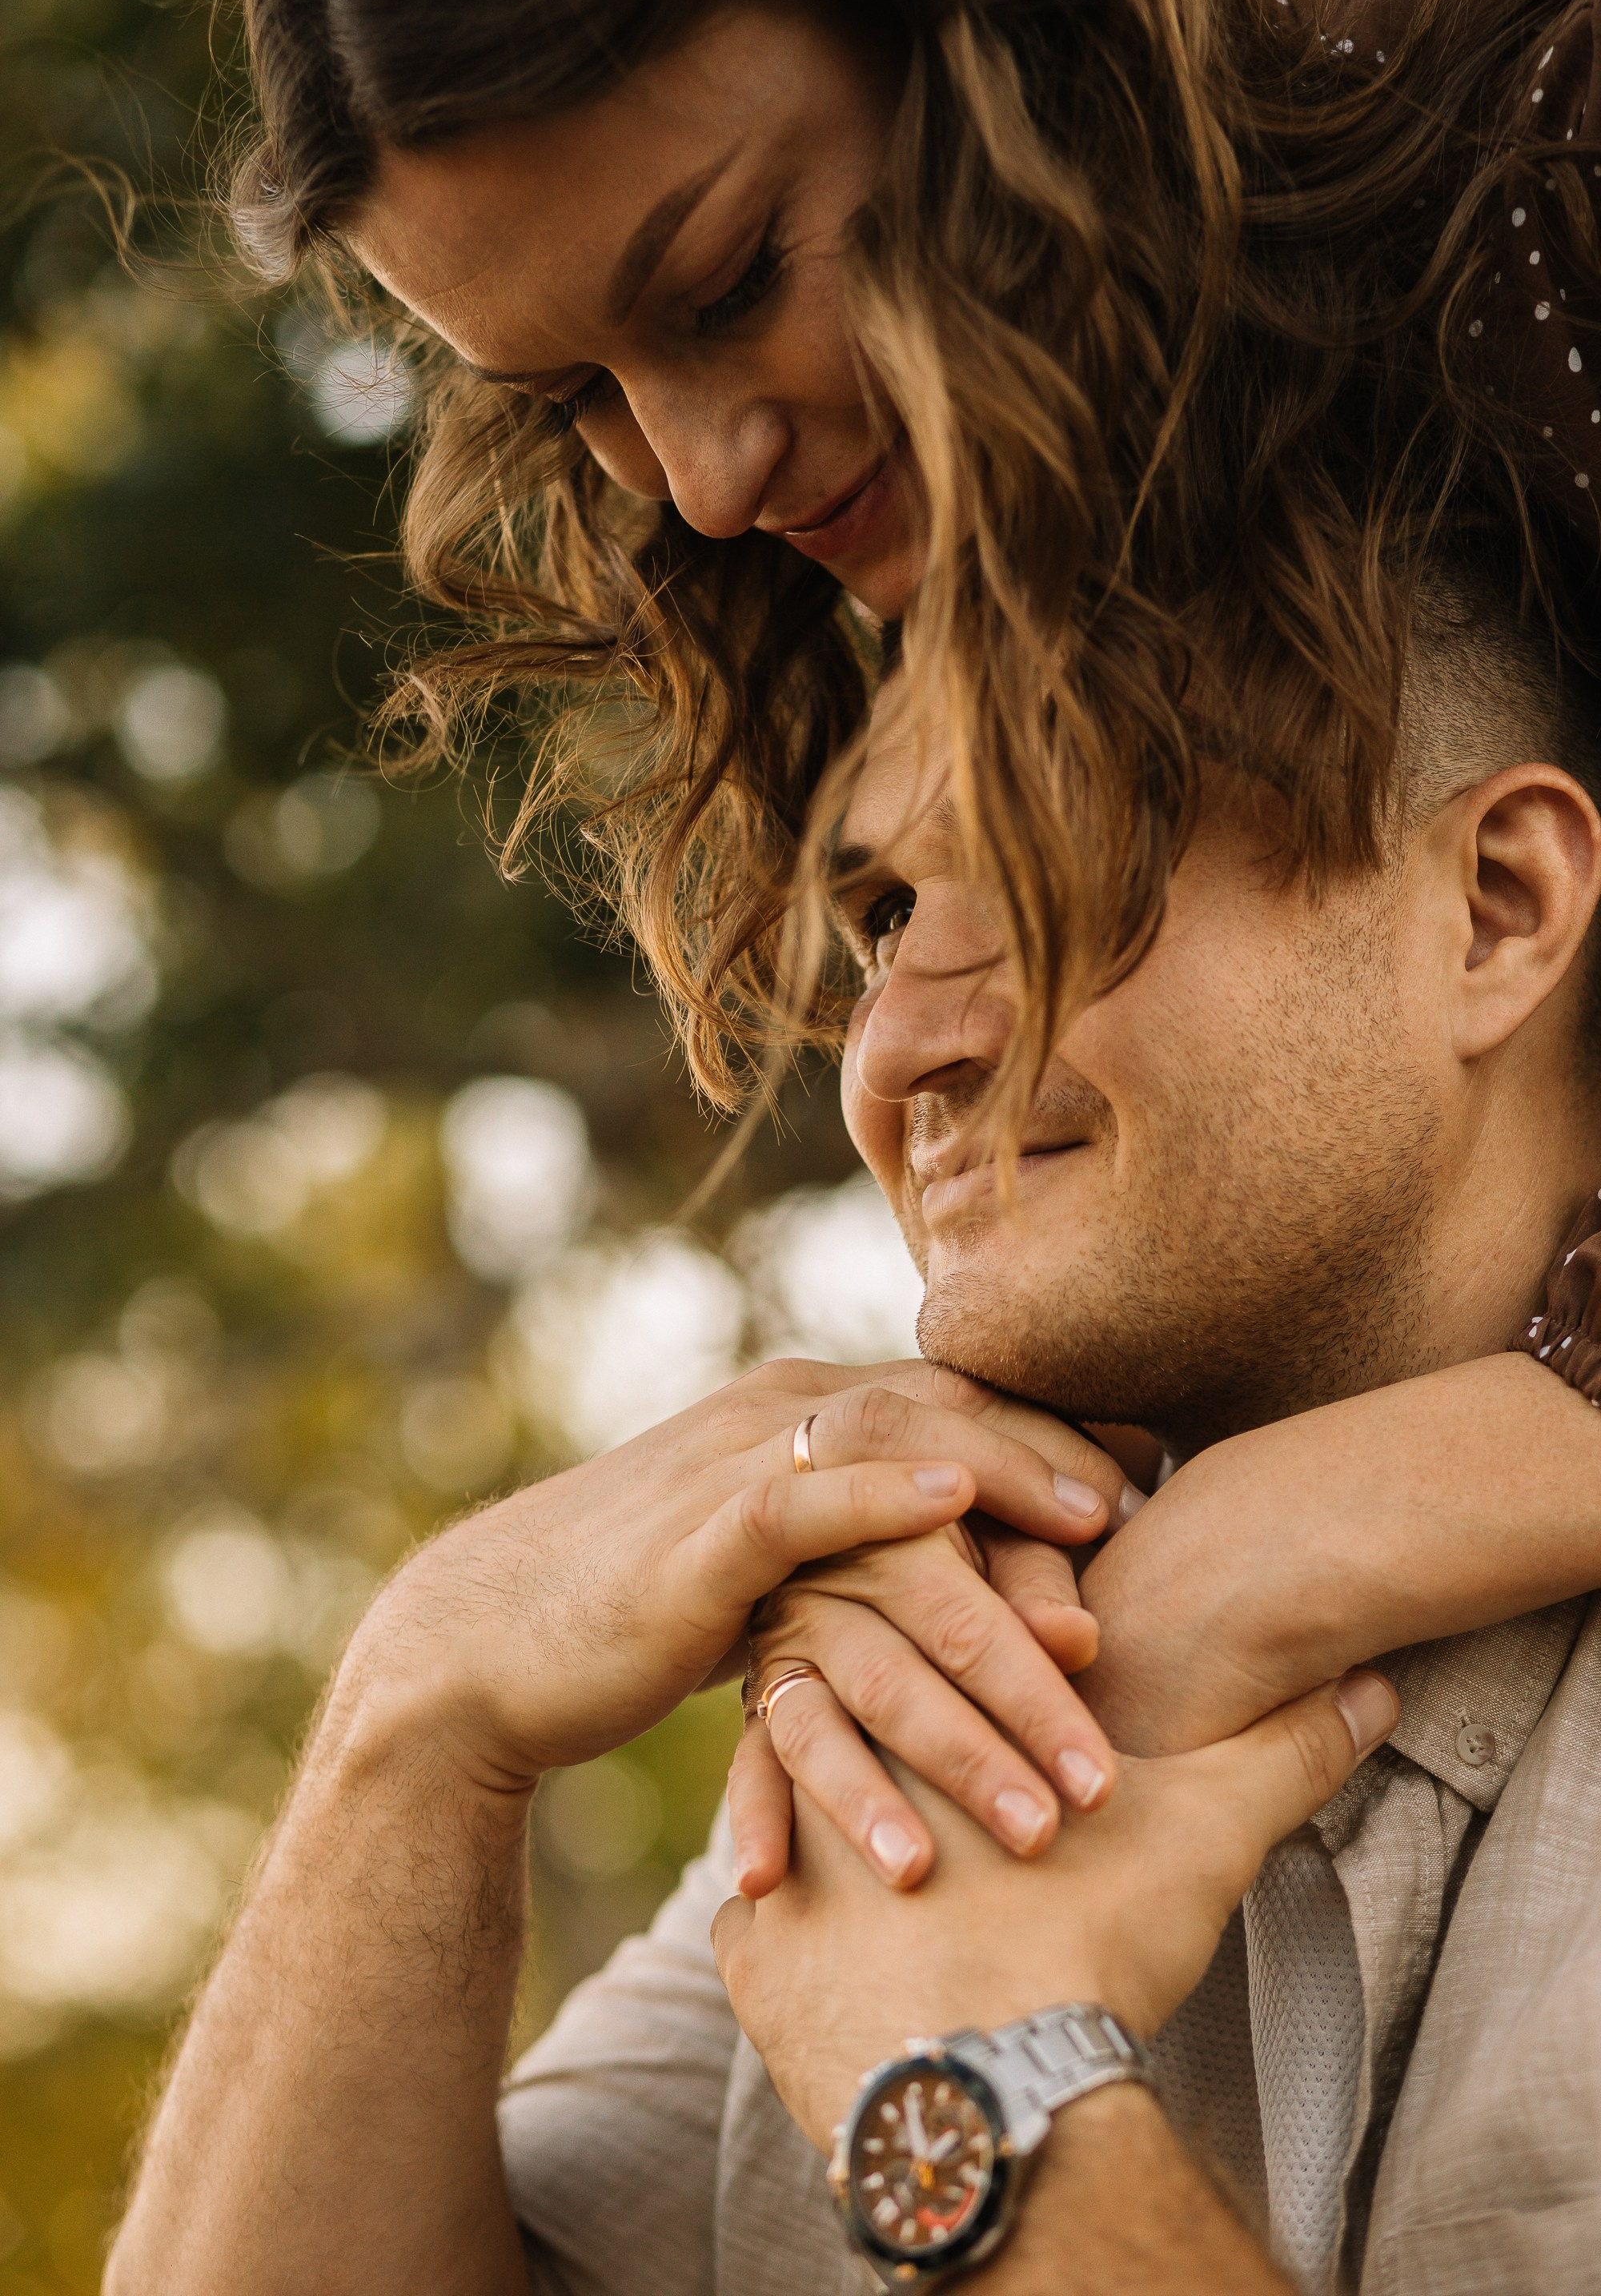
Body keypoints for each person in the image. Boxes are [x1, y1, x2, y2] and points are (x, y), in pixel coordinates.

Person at [215, 0, 1601, 1824]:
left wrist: (1347, 1512)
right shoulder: (919, 503)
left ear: (968, 6)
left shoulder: (1536, 111)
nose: (703, 481)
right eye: (574, 394)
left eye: (723, 283)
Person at [106, 555, 1601, 2294]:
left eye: (1053, 859)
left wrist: (974, 2078)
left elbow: (945, 2046)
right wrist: (412, 1714)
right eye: (886, 917)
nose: (896, 1052)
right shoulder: (921, 1739)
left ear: (1493, 908)